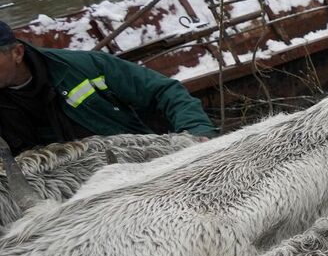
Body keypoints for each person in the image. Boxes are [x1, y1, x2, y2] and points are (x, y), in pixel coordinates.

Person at [0, 20, 214, 155]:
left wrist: (197, 134)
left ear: (17, 53)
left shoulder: (83, 67)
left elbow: (163, 91)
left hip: (134, 164)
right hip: (58, 194)